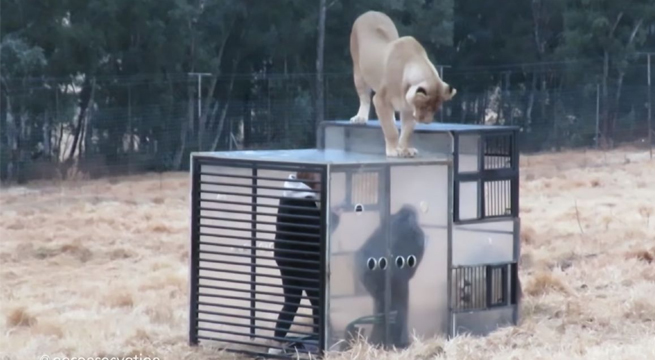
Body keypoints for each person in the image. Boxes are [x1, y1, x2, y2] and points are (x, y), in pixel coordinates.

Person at [270, 171, 341, 353]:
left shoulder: (291, 193)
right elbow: (316, 235)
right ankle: (323, 343)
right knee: (318, 300)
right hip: (301, 260)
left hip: (286, 257)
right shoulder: (302, 201)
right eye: (318, 177)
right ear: (309, 178)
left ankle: (276, 343)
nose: (322, 181)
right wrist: (334, 218)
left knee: (292, 300)